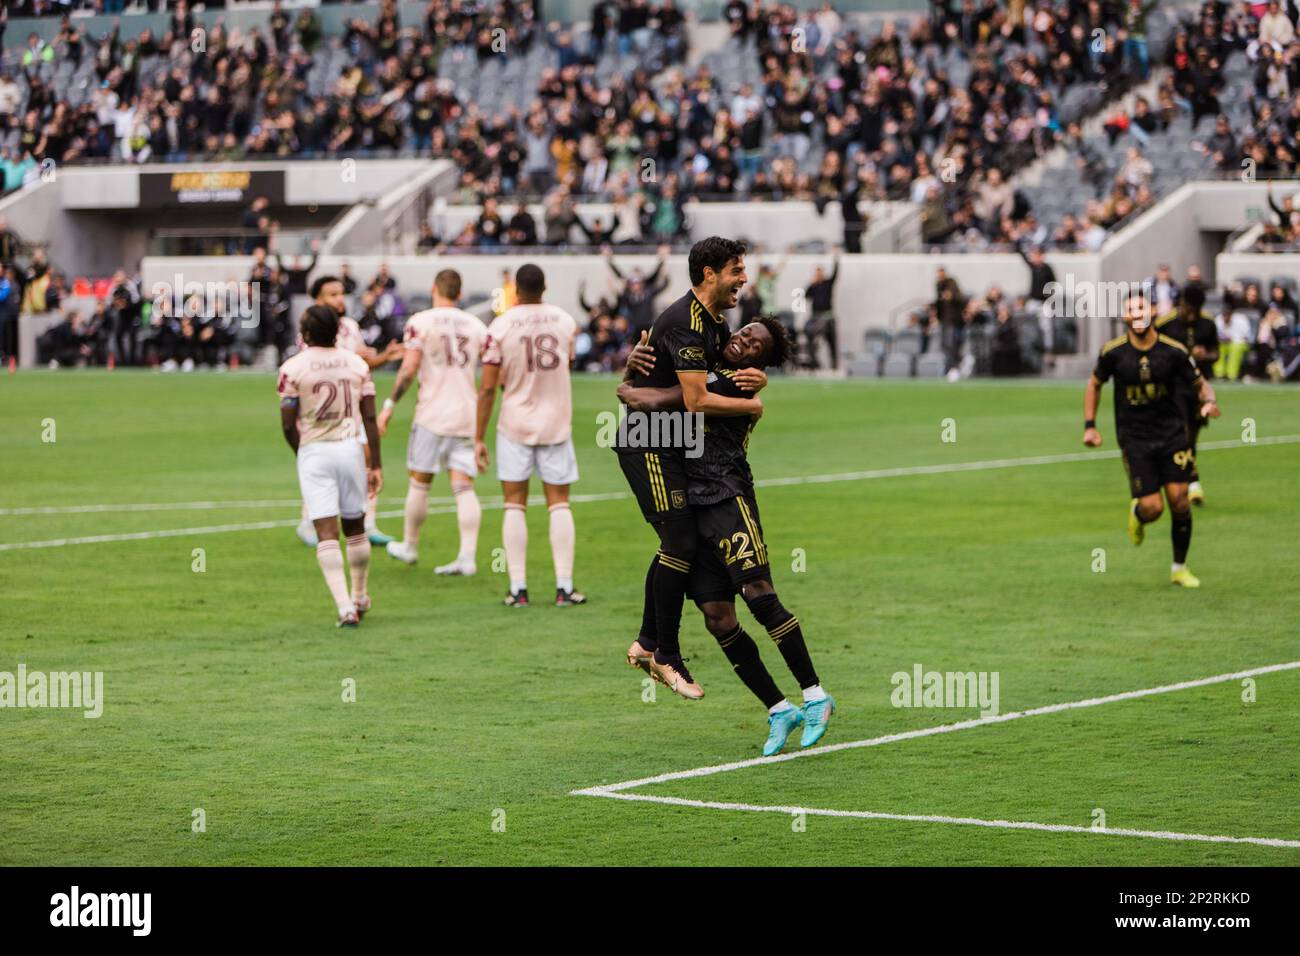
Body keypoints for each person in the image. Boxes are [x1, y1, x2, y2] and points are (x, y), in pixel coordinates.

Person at [617, 318, 835, 754]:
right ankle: (778, 708)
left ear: (761, 362)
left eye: (754, 345)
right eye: (743, 334)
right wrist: (628, 368)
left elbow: (672, 401)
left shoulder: (739, 384)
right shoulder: (710, 364)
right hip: (690, 507)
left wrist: (628, 389)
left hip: (726, 496)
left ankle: (815, 694)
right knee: (718, 617)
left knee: (759, 595)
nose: (742, 342)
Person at [615, 236, 762, 700]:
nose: (744, 279)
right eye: (736, 270)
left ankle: (647, 644)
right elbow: (698, 400)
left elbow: (702, 383)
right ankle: (664, 653)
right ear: (709, 274)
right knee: (678, 540)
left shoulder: (714, 324)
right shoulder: (685, 322)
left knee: (681, 543)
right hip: (649, 442)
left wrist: (754, 378)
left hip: (673, 444)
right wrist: (750, 405)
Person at [1083, 292, 1220, 588]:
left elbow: (1200, 384)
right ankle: (1138, 513)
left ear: (1153, 311)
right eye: (1131, 309)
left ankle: (1179, 568)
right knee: (1153, 508)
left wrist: (1209, 401)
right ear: (1125, 315)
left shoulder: (1173, 351)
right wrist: (1090, 426)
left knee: (1180, 501)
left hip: (1172, 435)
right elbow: (1094, 384)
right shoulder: (1113, 352)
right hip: (1135, 440)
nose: (1138, 313)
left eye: (1142, 307)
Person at [475, 264, 585, 607]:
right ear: (545, 286)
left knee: (514, 503)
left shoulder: (501, 325)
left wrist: (478, 436)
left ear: (515, 290)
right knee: (559, 503)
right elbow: (565, 363)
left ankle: (518, 588)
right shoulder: (564, 321)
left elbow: (489, 386)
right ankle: (564, 587)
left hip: (515, 423)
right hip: (556, 422)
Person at [277, 305, 383, 627]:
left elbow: (286, 422)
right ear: (337, 332)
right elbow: (369, 417)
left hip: (315, 451)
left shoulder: (292, 368)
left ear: (305, 334)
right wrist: (375, 462)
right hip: (350, 447)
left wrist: (303, 451)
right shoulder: (356, 364)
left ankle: (343, 608)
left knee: (326, 533)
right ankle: (360, 594)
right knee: (355, 528)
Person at [379, 269, 488, 575]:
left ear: (433, 288)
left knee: (420, 481)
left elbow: (409, 368)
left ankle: (410, 546)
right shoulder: (476, 325)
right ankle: (467, 556)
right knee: (464, 487)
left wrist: (389, 405)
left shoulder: (420, 322)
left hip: (432, 414)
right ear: (460, 291)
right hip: (467, 413)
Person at [294, 275, 403, 548]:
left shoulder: (351, 327)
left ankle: (368, 522)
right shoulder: (309, 331)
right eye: (332, 294)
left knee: (365, 460)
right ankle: (308, 520)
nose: (339, 299)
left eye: (341, 293)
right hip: (325, 411)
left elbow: (361, 365)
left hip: (354, 405)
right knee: (321, 465)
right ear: (318, 299)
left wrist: (384, 358)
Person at [1154, 284, 1218, 505]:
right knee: (1183, 431)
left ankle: (1182, 477)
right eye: (1187, 309)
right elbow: (1153, 352)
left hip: (1199, 387)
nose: (1190, 315)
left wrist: (1205, 354)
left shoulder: (1208, 323)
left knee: (1192, 434)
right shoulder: (1165, 324)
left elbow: (1216, 352)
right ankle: (1192, 479)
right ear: (1181, 304)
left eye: (1195, 311)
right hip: (1174, 386)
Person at [802, 254, 839, 369]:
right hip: (815, 316)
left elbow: (835, 274)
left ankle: (834, 364)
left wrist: (836, 258)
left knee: (831, 341)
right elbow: (805, 296)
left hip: (827, 316)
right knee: (810, 336)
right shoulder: (813, 286)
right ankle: (813, 361)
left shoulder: (828, 283)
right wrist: (811, 283)